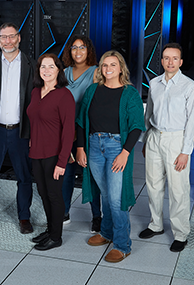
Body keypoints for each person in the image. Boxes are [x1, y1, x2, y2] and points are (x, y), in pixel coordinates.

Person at [76, 50, 145, 262]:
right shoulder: (92, 90)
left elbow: (136, 126)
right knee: (104, 194)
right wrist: (80, 148)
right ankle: (106, 233)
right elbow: (80, 121)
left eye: (113, 65)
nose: (108, 69)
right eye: (105, 65)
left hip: (117, 146)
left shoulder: (130, 93)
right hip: (94, 146)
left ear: (121, 68)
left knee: (116, 199)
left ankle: (123, 244)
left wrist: (125, 152)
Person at [139, 43, 194, 252]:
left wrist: (185, 152)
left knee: (178, 189)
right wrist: (146, 139)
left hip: (176, 140)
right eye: (166, 58)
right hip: (155, 136)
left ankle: (181, 234)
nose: (170, 62)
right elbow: (149, 114)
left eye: (174, 58)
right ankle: (155, 224)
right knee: (153, 185)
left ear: (181, 62)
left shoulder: (189, 86)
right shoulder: (154, 83)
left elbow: (192, 122)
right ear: (162, 60)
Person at [0, 22, 35, 235]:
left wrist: (33, 133)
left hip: (22, 130)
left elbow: (36, 100)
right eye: (3, 37)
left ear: (19, 38)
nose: (8, 41)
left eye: (11, 37)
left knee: (24, 176)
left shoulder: (31, 64)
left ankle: (24, 217)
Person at [27, 54, 75, 251]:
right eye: (42, 67)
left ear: (58, 70)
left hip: (54, 155)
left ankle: (56, 236)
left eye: (50, 66)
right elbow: (34, 119)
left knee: (54, 195)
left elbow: (68, 131)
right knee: (43, 193)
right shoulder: (36, 92)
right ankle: (50, 229)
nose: (46, 70)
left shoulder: (64, 95)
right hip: (36, 153)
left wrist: (62, 162)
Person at [61, 35, 102, 231]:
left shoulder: (96, 72)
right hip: (66, 131)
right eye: (74, 48)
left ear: (89, 50)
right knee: (66, 173)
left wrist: (81, 133)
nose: (78, 51)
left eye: (82, 47)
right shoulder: (63, 72)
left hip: (87, 130)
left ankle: (96, 215)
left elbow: (97, 105)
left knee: (91, 174)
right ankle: (64, 211)